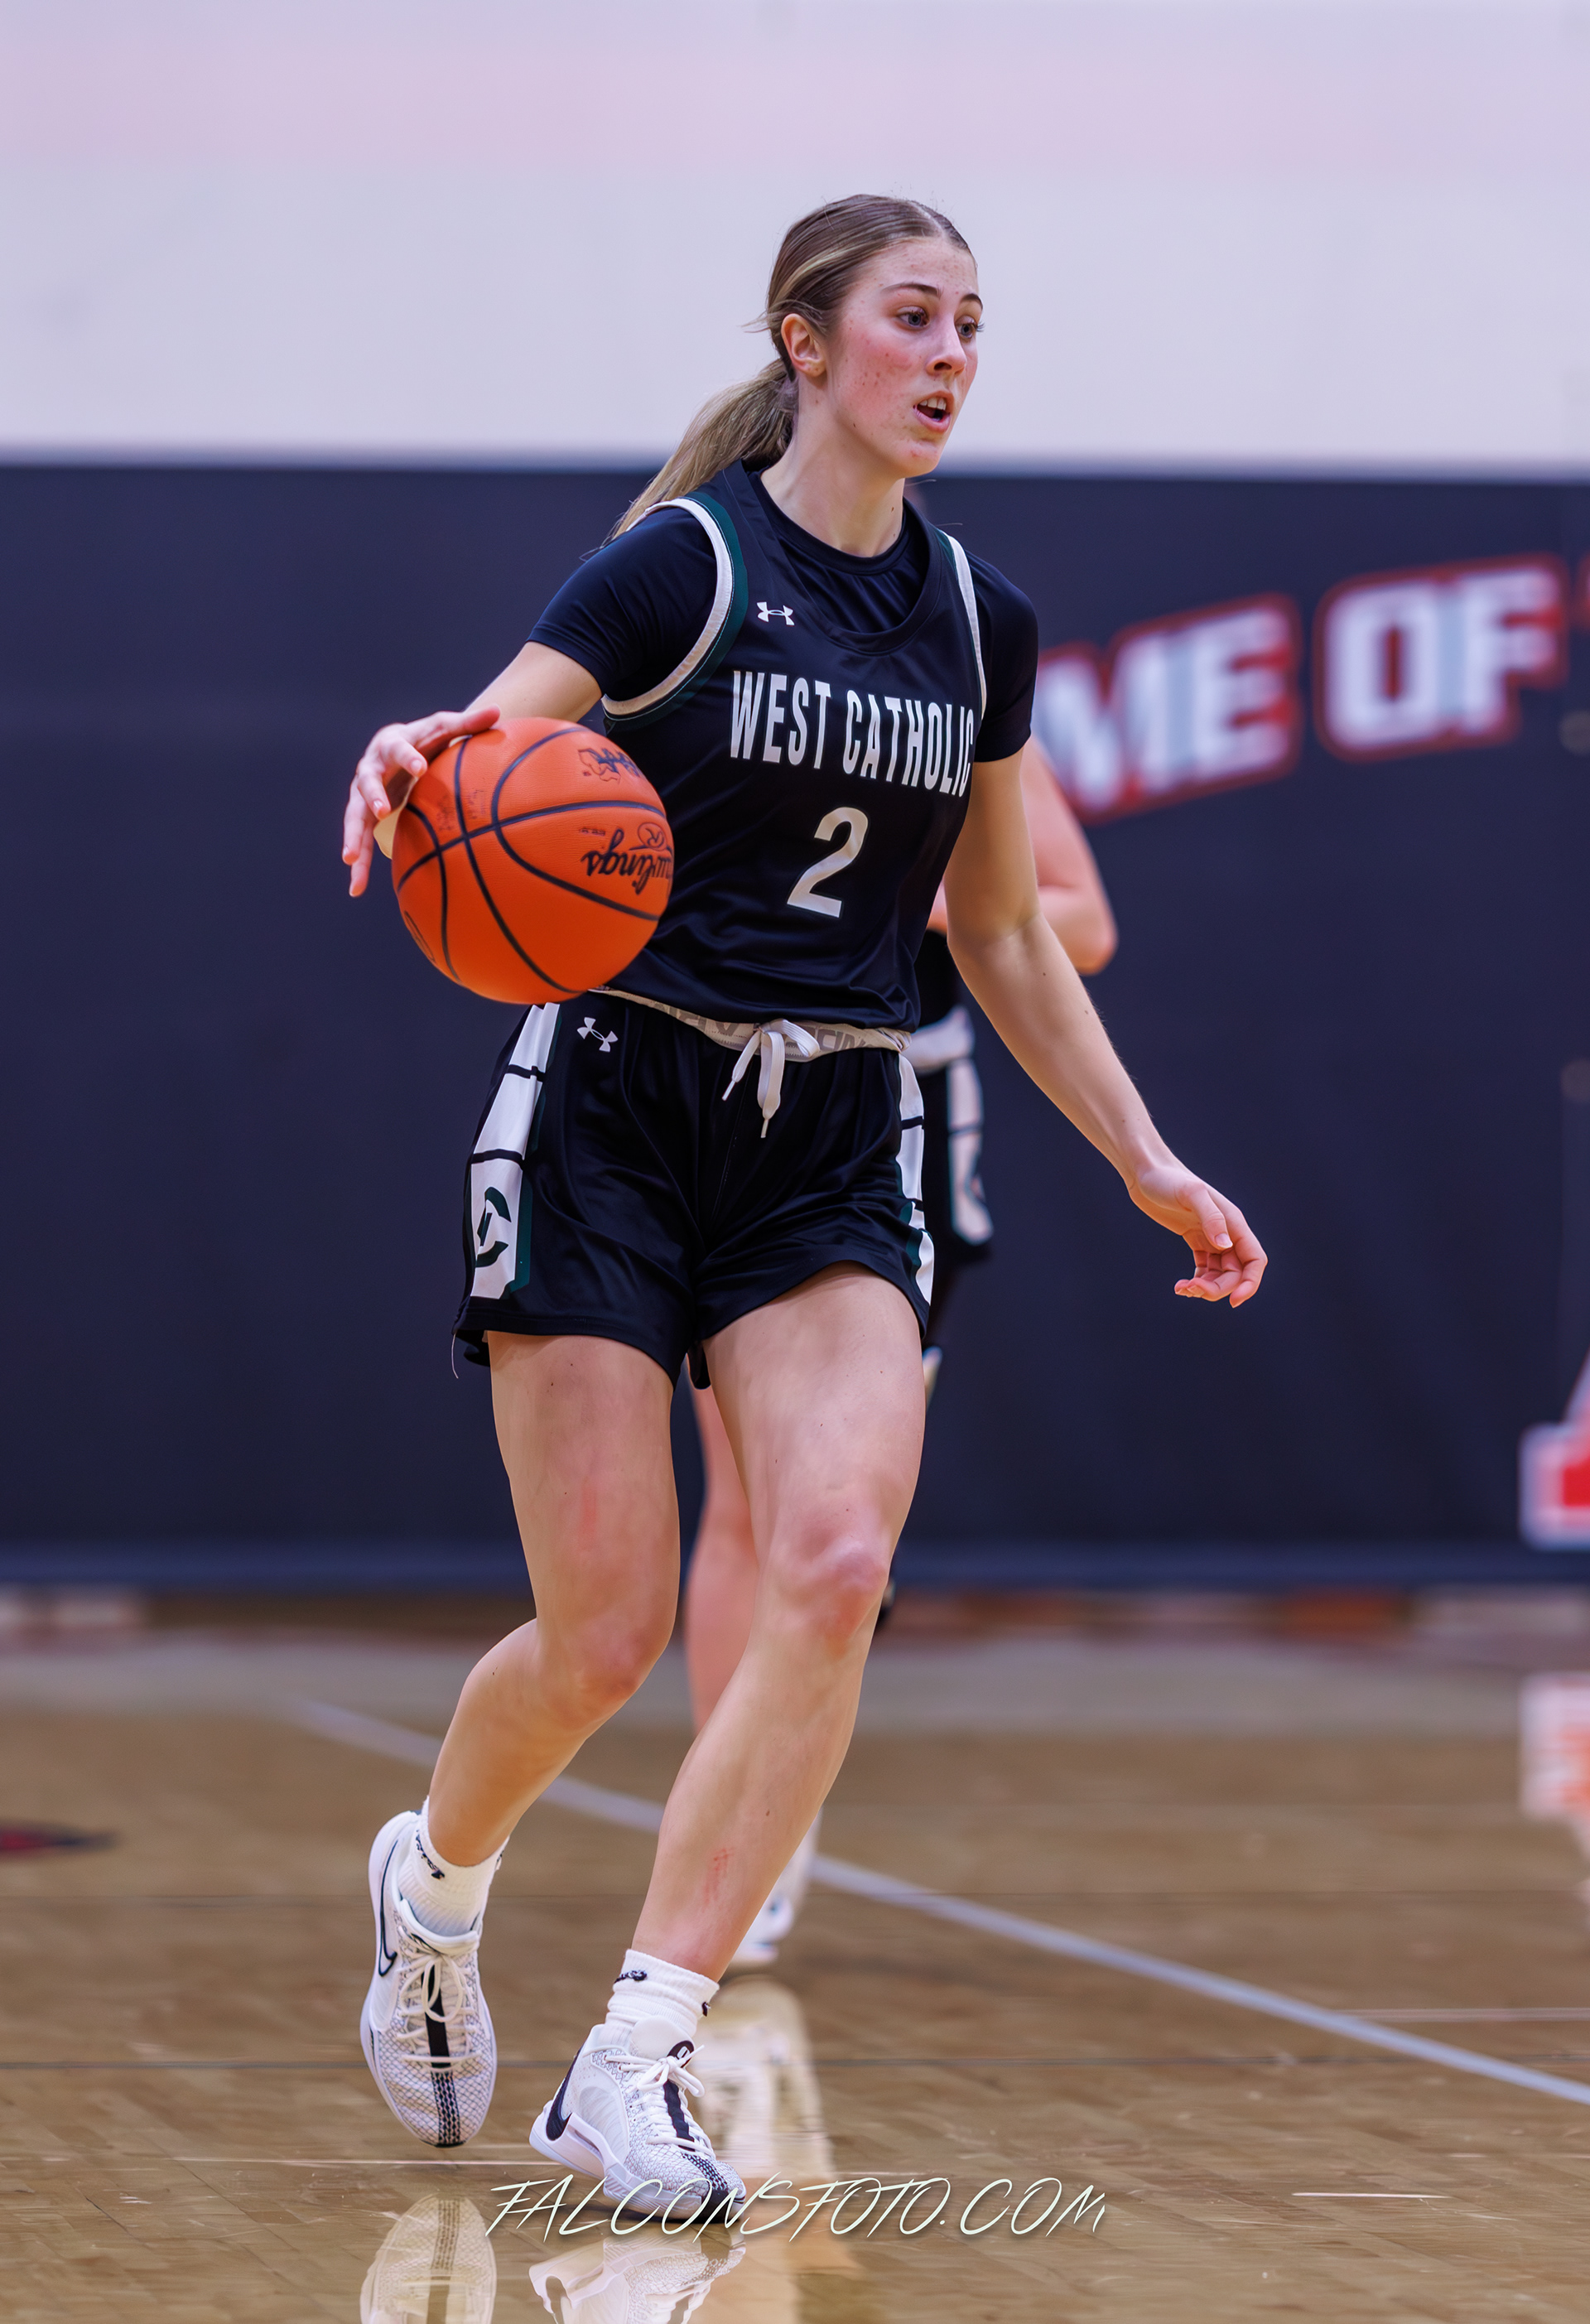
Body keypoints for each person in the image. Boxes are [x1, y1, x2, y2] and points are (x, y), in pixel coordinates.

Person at [340, 194, 1265, 2220]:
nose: (950, 357)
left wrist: (1146, 1153)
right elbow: (486, 750)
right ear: (808, 340)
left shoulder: (980, 621)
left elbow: (1006, 930)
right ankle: (436, 1883)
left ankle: (636, 2052)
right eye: (913, 318)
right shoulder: (685, 562)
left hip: (838, 1125)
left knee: (835, 1560)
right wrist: (419, 758)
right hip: (615, 1099)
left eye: (972, 325)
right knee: (604, 1632)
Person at [683, 739, 1116, 1965]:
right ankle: (733, 1837)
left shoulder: (957, 699)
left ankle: (775, 1795)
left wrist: (914, 882)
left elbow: (1081, 923)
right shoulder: (733, 692)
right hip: (731, 1086)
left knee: (836, 1532)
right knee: (741, 1503)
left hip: (896, 1114)